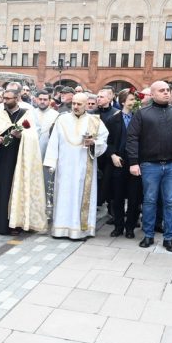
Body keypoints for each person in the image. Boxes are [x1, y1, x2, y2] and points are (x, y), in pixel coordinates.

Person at [126, 81, 172, 252]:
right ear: (153, 94)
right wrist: (134, 162)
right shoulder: (142, 113)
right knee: (149, 201)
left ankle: (169, 238)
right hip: (149, 164)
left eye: (168, 90)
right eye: (162, 90)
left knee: (170, 203)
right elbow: (132, 138)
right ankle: (148, 235)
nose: (166, 93)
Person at [0, 87, 46, 235]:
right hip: (1, 160)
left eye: (8, 99)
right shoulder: (0, 115)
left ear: (17, 98)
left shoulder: (26, 115)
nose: (5, 101)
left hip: (19, 160)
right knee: (2, 190)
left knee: (17, 190)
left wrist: (21, 136)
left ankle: (16, 223)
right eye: (4, 98)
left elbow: (33, 137)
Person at [45, 92, 108, 239]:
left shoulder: (95, 121)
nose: (75, 106)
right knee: (64, 195)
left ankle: (81, 230)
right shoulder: (62, 120)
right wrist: (51, 162)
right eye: (73, 103)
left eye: (79, 104)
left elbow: (103, 141)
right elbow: (54, 141)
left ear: (87, 104)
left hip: (84, 166)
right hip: (64, 166)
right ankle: (61, 229)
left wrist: (94, 143)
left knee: (81, 195)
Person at [104, 89, 142, 238]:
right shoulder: (113, 120)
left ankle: (130, 227)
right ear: (123, 102)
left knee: (134, 197)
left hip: (134, 163)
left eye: (134, 100)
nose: (133, 102)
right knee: (117, 197)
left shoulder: (139, 119)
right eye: (131, 99)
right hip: (118, 163)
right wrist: (112, 155)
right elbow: (108, 141)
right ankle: (118, 226)